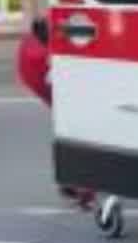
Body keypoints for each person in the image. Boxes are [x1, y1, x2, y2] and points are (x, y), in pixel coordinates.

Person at [16, 17, 94, 208]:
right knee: (80, 134)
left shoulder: (30, 45)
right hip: (57, 92)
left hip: (52, 91)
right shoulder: (41, 58)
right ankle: (79, 186)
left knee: (71, 133)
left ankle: (72, 182)